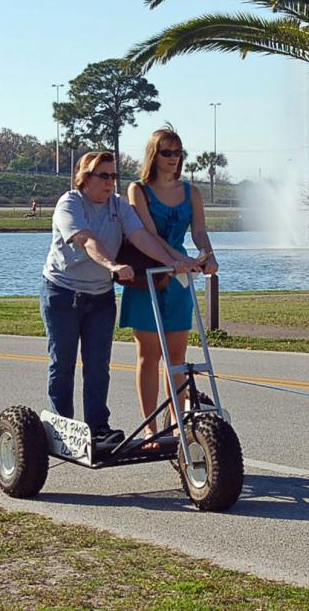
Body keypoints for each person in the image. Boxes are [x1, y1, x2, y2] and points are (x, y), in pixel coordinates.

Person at [41, 151, 198, 445]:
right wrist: (112, 265)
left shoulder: (119, 206)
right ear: (85, 178)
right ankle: (62, 427)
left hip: (100, 296)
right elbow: (87, 240)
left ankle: (98, 428)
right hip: (62, 293)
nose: (110, 182)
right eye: (104, 176)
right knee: (63, 363)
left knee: (98, 364)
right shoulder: (70, 203)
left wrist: (173, 261)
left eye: (114, 176)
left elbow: (142, 237)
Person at [119, 126, 219, 446]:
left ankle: (177, 422)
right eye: (166, 152)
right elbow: (149, 235)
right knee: (149, 354)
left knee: (176, 356)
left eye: (178, 153)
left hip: (179, 278)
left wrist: (208, 256)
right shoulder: (139, 190)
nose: (173, 159)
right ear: (153, 154)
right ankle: (150, 428)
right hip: (148, 275)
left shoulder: (192, 192)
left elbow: (199, 232)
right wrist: (179, 259)